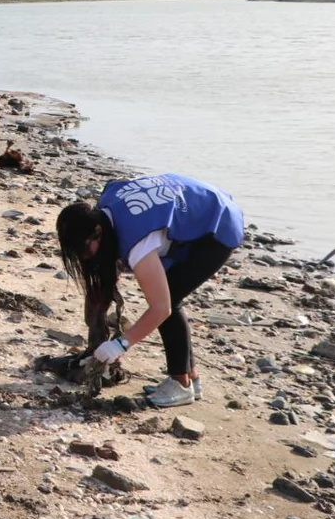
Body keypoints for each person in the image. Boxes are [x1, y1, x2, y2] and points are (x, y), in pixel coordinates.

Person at [55, 173, 244, 408]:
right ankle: (190, 378)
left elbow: (160, 308)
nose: (83, 257)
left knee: (170, 299)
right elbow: (107, 276)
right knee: (170, 295)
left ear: (97, 232)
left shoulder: (138, 244)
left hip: (218, 224)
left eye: (84, 249)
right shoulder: (106, 210)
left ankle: (181, 385)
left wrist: (120, 345)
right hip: (198, 204)